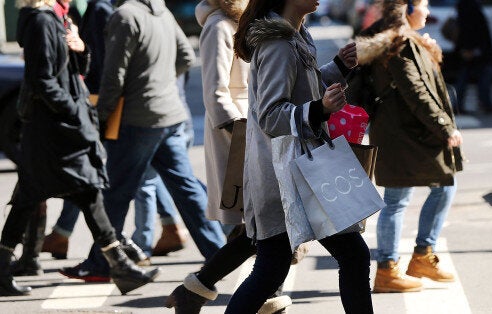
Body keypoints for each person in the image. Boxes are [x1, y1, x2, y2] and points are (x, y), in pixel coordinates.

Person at [214, 1, 371, 313]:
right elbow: (270, 115)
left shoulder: (295, 36)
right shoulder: (278, 44)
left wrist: (339, 67)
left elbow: (303, 86)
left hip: (301, 171)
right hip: (286, 176)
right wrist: (320, 109)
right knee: (286, 264)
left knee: (276, 266)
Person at [59, 0, 226, 282]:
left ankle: (101, 264)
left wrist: (100, 119)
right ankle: (221, 255)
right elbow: (185, 56)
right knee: (186, 189)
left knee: (115, 193)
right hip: (170, 113)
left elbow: (114, 76)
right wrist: (158, 83)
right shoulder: (160, 11)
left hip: (138, 119)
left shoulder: (125, 16)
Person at [1, 0, 160, 296]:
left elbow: (73, 71)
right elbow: (42, 80)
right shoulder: (41, 21)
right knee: (77, 192)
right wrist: (75, 111)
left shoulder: (57, 18)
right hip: (53, 131)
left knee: (77, 193)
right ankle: (120, 266)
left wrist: (80, 48)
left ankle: (120, 266)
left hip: (58, 128)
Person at [164, 1, 292, 313]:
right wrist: (242, 135)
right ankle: (201, 289)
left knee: (261, 227)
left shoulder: (243, 22)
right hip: (239, 136)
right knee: (265, 225)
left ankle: (200, 290)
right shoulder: (219, 24)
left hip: (255, 130)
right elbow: (216, 92)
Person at [348, 0, 464, 293]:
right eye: (424, 5)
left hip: (404, 134)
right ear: (409, 10)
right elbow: (417, 92)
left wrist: (429, 50)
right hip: (405, 135)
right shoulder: (399, 44)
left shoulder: (406, 41)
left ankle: (417, 257)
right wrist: (444, 126)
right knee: (414, 195)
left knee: (435, 187)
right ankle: (390, 268)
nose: (428, 12)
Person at [454, 0, 492, 114]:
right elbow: (471, 28)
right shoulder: (469, 6)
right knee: (482, 74)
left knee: (465, 76)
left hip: (471, 47)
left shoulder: (463, 6)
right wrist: (469, 48)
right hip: (475, 47)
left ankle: (460, 104)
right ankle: (484, 103)